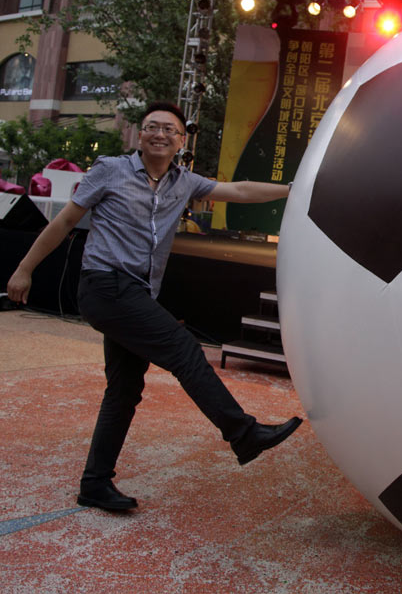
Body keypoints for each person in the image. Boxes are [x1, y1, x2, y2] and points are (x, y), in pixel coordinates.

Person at [5, 101, 302, 511]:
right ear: (140, 134)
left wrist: (292, 190)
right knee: (184, 351)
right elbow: (65, 221)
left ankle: (95, 484)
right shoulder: (110, 170)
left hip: (137, 294)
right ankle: (243, 433)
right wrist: (24, 269)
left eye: (169, 130)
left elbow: (237, 190)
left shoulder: (185, 182)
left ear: (181, 141)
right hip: (105, 286)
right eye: (152, 127)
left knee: (124, 391)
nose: (159, 134)